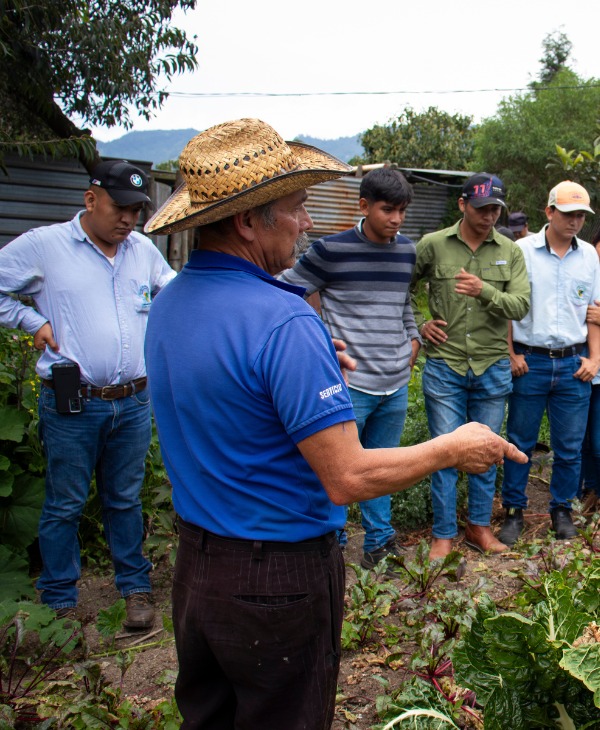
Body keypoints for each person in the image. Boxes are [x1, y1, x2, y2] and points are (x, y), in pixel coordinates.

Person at [142, 118, 527, 729]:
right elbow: (346, 476)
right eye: (296, 208)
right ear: (247, 220)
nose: (309, 222)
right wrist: (451, 446)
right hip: (275, 582)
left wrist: (307, 359)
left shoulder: (171, 303)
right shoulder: (283, 321)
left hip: (198, 570)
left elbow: (235, 397)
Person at [0, 160, 176, 629]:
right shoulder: (45, 246)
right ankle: (59, 602)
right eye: (120, 208)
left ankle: (135, 590)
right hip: (73, 404)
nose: (128, 220)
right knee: (65, 502)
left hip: (133, 401)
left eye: (137, 211)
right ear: (91, 199)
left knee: (125, 499)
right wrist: (29, 321)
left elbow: (175, 294)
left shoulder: (141, 251)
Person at [278, 166, 421, 572]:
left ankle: (379, 544)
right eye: (387, 210)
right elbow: (286, 290)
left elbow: (403, 303)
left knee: (384, 468)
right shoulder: (329, 251)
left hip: (394, 381)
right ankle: (332, 547)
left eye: (402, 211)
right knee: (334, 472)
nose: (395, 219)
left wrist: (413, 339)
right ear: (364, 205)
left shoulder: (406, 250)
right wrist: (318, 344)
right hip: (348, 385)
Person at [411, 173, 530, 560]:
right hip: (445, 366)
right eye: (482, 208)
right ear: (463, 204)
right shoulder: (433, 245)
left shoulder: (510, 251)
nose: (489, 216)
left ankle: (479, 527)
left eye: (496, 209)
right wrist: (418, 323)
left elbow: (521, 306)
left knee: (489, 451)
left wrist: (486, 291)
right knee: (444, 452)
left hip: (492, 366)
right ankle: (443, 534)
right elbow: (405, 287)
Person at [500, 181, 600, 546]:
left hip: (574, 364)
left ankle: (562, 509)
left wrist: (595, 358)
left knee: (570, 446)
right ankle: (513, 511)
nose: (575, 221)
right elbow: (507, 309)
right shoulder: (521, 250)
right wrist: (511, 353)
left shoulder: (589, 255)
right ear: (549, 212)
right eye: (569, 214)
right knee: (520, 441)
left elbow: (595, 314)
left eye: (581, 216)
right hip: (531, 361)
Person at [580, 228, 600, 511]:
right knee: (579, 440)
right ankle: (589, 491)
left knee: (597, 442)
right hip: (581, 367)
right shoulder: (583, 273)